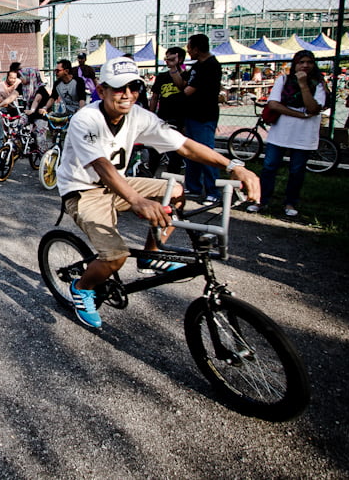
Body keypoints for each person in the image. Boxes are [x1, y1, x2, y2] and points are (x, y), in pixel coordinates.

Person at [56, 57, 259, 330]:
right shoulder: (86, 119)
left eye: (133, 87)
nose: (127, 94)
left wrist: (234, 166)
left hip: (119, 182)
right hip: (84, 189)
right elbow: (101, 165)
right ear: (101, 90)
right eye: (119, 88)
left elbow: (184, 146)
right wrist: (137, 200)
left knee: (174, 191)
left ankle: (150, 255)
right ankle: (81, 288)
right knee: (115, 256)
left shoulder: (138, 115)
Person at [247, 50, 326, 218]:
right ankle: (262, 200)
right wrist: (300, 114)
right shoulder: (283, 80)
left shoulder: (318, 84)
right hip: (281, 133)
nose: (305, 65)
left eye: (309, 62)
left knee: (296, 170)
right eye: (301, 62)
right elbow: (274, 104)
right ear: (295, 64)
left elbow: (313, 108)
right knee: (269, 167)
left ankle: (290, 202)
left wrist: (303, 85)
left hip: (304, 135)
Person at [169, 33, 221, 203]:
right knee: (190, 152)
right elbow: (181, 84)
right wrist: (174, 67)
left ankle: (213, 191)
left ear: (197, 49)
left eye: (190, 47)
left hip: (204, 116)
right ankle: (193, 186)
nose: (188, 51)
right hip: (191, 115)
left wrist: (173, 101)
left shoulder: (211, 66)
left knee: (205, 152)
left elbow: (187, 91)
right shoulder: (197, 66)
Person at [149, 46, 188, 175]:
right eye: (166, 57)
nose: (167, 60)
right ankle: (150, 175)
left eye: (171, 57)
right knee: (155, 150)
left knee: (176, 152)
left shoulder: (186, 75)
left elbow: (183, 88)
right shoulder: (162, 77)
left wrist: (174, 67)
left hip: (179, 118)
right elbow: (155, 97)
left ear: (179, 58)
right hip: (163, 117)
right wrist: (151, 115)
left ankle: (173, 178)